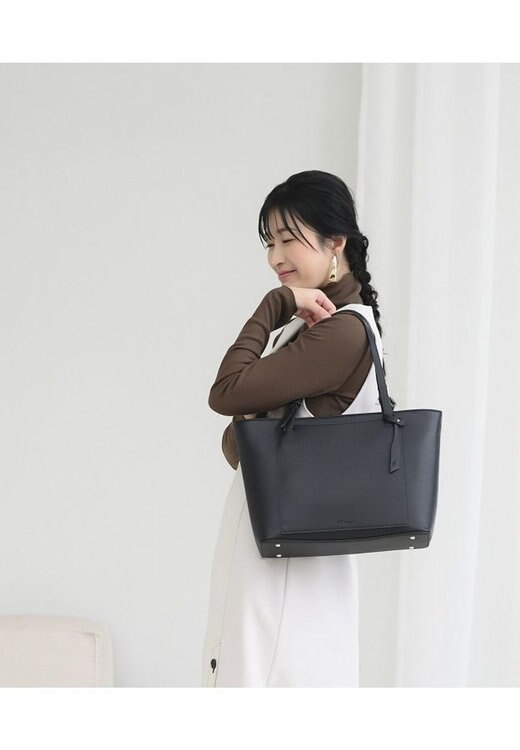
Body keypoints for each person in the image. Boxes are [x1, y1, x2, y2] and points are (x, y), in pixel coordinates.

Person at [201, 170, 386, 687]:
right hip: (278, 556)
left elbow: (226, 394)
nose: (275, 257)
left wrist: (275, 303)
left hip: (286, 569)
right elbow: (236, 445)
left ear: (335, 243)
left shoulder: (342, 332)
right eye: (269, 243)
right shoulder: (316, 329)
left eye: (288, 239)